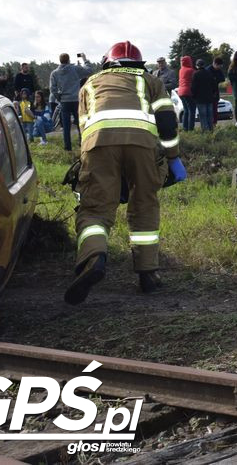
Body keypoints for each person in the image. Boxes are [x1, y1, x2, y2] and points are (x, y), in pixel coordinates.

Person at [65, 41, 185, 305]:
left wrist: (98, 164)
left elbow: (84, 127)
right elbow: (167, 122)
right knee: (144, 204)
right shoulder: (151, 80)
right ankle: (148, 275)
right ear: (138, 64)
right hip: (143, 146)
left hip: (98, 145)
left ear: (108, 63)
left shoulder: (91, 83)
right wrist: (174, 158)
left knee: (95, 208)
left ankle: (93, 258)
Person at [50, 53, 94, 151]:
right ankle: (82, 144)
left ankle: (67, 148)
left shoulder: (54, 73)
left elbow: (52, 89)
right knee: (80, 124)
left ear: (60, 60)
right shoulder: (75, 69)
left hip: (64, 101)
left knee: (66, 126)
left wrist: (59, 98)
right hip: (76, 100)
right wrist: (85, 59)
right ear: (69, 60)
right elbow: (89, 71)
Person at [191, 59, 218, 132]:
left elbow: (194, 87)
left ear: (197, 66)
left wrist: (193, 96)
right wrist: (213, 93)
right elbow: (214, 85)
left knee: (203, 116)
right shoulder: (209, 73)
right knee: (210, 115)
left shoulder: (195, 74)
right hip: (209, 98)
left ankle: (206, 131)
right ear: (204, 65)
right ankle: (211, 130)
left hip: (200, 99)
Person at [176, 56, 196, 131]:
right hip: (188, 92)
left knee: (186, 110)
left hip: (180, 92)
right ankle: (191, 129)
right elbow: (194, 80)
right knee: (191, 110)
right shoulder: (191, 70)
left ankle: (185, 128)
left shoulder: (181, 70)